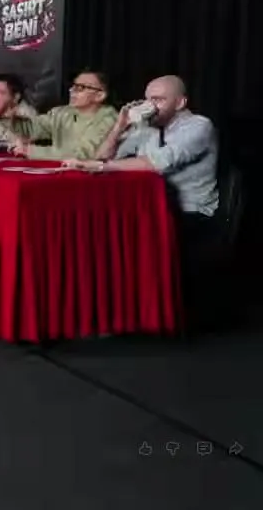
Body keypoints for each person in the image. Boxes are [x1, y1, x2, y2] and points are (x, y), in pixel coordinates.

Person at [65, 75, 220, 326]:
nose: (151, 105)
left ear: (180, 102)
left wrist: (102, 167)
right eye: (148, 99)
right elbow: (102, 157)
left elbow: (159, 163)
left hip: (190, 210)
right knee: (94, 229)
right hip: (148, 208)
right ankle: (107, 311)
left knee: (121, 235)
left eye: (158, 100)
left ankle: (141, 314)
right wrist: (119, 128)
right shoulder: (146, 128)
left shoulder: (199, 126)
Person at [7, 69, 118, 160]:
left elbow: (84, 153)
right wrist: (10, 117)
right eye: (73, 86)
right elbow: (31, 129)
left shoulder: (108, 118)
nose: (71, 91)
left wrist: (30, 150)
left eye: (80, 88)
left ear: (100, 95)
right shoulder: (62, 113)